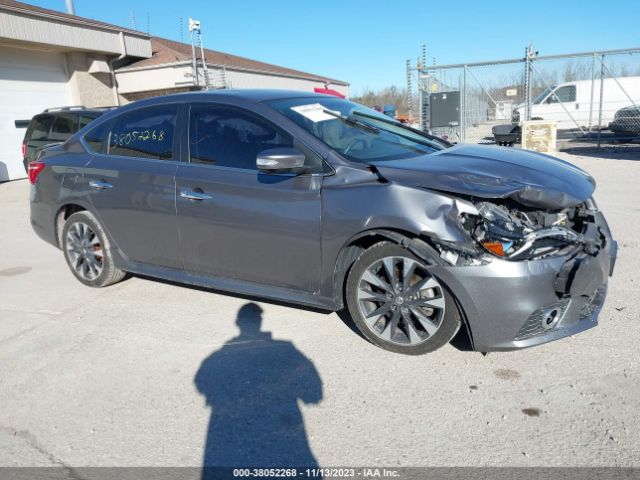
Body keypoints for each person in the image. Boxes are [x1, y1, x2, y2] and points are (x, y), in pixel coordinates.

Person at [195, 302, 323, 473]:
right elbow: (313, 392)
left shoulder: (219, 354)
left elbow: (201, 378)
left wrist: (214, 396)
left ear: (238, 323)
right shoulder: (286, 348)